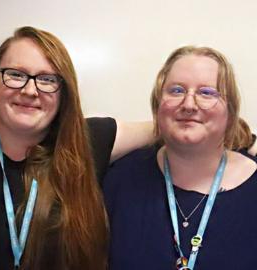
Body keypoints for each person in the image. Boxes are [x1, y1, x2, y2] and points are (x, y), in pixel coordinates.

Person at [0, 26, 153, 270]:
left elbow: (167, 128)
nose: (30, 90)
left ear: (64, 92)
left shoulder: (82, 143)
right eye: (15, 74)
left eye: (47, 79)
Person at [103, 46, 257, 269]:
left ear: (230, 112)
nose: (189, 104)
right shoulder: (119, 179)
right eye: (176, 91)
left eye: (207, 93)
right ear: (157, 106)